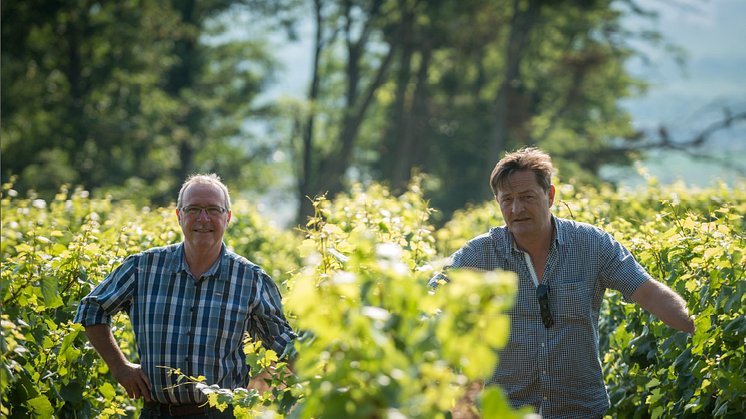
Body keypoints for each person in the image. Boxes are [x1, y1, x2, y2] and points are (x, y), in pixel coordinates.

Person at [429, 147, 694, 419]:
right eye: (506, 199)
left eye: (527, 197)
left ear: (550, 195)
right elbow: (432, 300)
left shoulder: (592, 245)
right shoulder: (482, 253)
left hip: (581, 410)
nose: (516, 209)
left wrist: (697, 323)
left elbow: (648, 293)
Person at [75, 174, 297, 418]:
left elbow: (283, 345)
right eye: (193, 209)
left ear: (228, 217)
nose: (204, 218)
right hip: (156, 413)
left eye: (213, 209)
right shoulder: (142, 268)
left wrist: (329, 370)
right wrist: (119, 367)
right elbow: (91, 309)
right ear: (179, 216)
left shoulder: (250, 279)